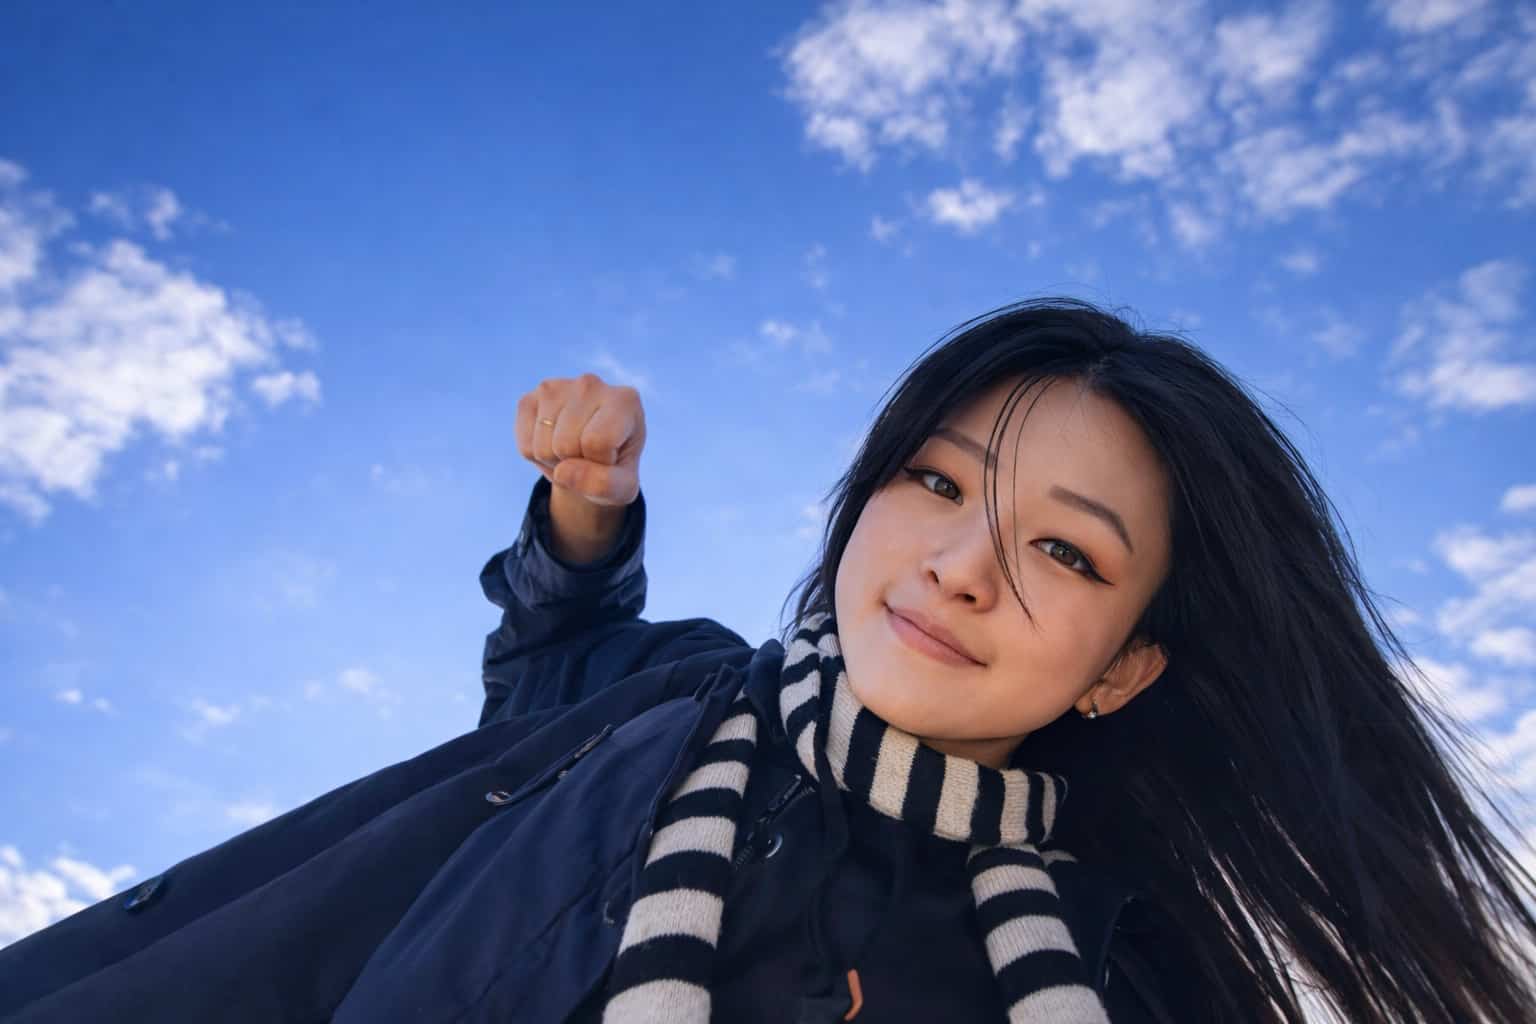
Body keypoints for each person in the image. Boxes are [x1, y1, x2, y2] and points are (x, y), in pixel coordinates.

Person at [2, 298, 1532, 1023]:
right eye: (935, 481)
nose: (960, 564)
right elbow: (551, 656)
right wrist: (586, 517)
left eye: (1067, 553)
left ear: (1123, 669)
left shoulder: (1125, 981)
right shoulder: (676, 697)